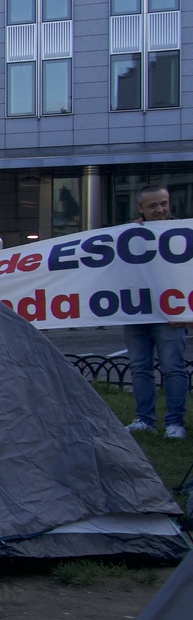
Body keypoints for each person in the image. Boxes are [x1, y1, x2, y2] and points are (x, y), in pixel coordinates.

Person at [127, 184, 188, 439]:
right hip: (135, 312)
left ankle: (175, 422)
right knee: (139, 367)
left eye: (164, 203)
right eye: (152, 205)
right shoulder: (127, 236)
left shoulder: (184, 233)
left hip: (170, 315)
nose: (160, 209)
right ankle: (144, 419)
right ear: (140, 208)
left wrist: (187, 311)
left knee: (173, 367)